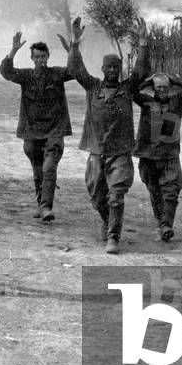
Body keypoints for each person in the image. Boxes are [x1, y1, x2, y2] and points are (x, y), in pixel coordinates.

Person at [66, 16, 150, 254]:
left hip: (120, 152)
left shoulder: (127, 88)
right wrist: (74, 43)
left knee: (116, 196)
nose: (112, 71)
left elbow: (142, 71)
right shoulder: (92, 87)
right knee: (96, 196)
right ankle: (106, 220)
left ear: (119, 69)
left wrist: (143, 43)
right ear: (102, 70)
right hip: (96, 151)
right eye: (108, 67)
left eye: (116, 67)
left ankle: (113, 237)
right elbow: (75, 69)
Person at [0, 32, 74, 222]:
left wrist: (71, 50)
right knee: (38, 169)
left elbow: (75, 71)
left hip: (54, 130)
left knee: (49, 167)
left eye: (43, 56)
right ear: (32, 58)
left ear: (48, 56)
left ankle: (46, 207)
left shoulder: (57, 74)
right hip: (32, 131)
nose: (40, 60)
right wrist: (13, 50)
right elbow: (6, 72)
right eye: (37, 57)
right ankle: (41, 203)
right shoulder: (26, 76)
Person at [133, 73, 182, 242]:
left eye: (165, 87)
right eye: (158, 87)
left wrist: (172, 78)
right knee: (154, 191)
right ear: (153, 88)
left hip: (169, 155)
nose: (162, 90)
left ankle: (166, 224)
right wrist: (148, 80)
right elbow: (131, 90)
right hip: (148, 155)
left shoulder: (176, 100)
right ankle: (161, 222)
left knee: (171, 191)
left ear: (170, 88)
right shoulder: (146, 101)